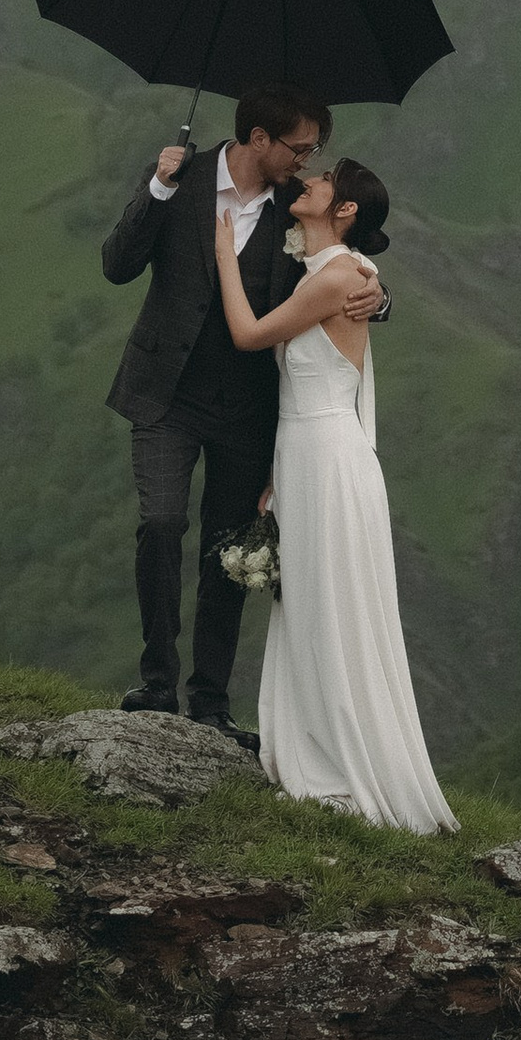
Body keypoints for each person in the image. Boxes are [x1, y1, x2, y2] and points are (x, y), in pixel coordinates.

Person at [99, 86, 381, 737]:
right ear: (259, 139)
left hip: (249, 409)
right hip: (166, 393)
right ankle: (157, 682)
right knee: (161, 523)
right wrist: (158, 189)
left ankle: (210, 703)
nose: (308, 161)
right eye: (300, 148)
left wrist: (379, 297)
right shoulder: (179, 178)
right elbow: (117, 265)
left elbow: (346, 259)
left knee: (226, 553)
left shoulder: (299, 205)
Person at [214, 159, 456, 833]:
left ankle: (343, 763)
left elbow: (249, 335)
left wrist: (223, 255)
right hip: (302, 458)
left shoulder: (340, 278)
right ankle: (317, 745)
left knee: (331, 603)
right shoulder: (329, 272)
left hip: (327, 458)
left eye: (323, 181)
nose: (309, 182)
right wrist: (275, 473)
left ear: (344, 209)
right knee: (311, 604)